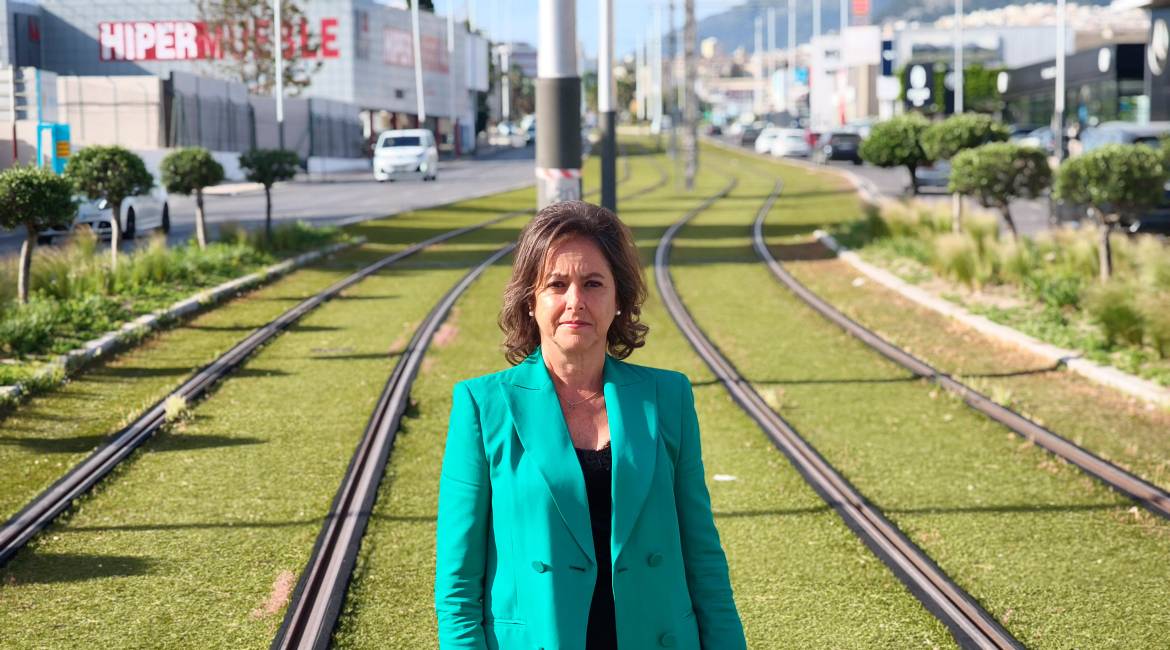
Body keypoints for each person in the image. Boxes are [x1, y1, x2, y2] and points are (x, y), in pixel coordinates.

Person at [434, 200, 746, 650]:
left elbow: (704, 559)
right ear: (531, 301)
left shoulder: (668, 397)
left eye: (593, 283)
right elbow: (458, 585)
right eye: (556, 285)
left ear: (619, 299)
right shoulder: (483, 407)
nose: (575, 302)